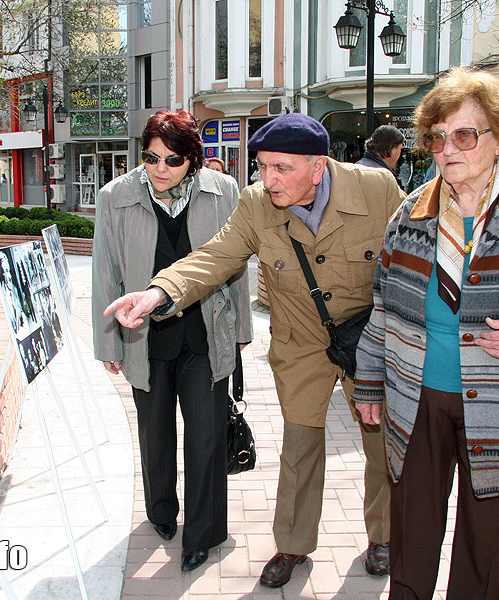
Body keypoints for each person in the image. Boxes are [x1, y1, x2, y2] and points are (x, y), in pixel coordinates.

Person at [102, 111, 406, 587]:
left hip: (369, 339)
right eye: (262, 166)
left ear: (318, 166)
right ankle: (292, 545)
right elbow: (214, 257)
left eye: (281, 168)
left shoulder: (377, 190)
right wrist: (157, 294)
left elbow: (412, 260)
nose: (269, 179)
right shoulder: (257, 203)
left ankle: (383, 537)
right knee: (301, 443)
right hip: (301, 340)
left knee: (379, 440)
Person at [352, 67, 499, 599]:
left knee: (491, 548)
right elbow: (383, 304)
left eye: (463, 135)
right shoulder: (411, 214)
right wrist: (368, 382)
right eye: (436, 136)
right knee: (412, 538)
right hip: (417, 403)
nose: (446, 148)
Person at [92, 109, 253, 573]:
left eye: (173, 160)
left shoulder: (223, 192)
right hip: (144, 338)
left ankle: (203, 532)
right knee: (155, 432)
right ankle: (162, 512)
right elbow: (106, 272)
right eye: (151, 158)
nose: (160, 169)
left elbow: (234, 265)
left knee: (206, 435)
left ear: (194, 160)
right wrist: (109, 344)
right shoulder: (116, 197)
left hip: (206, 334)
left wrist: (241, 331)